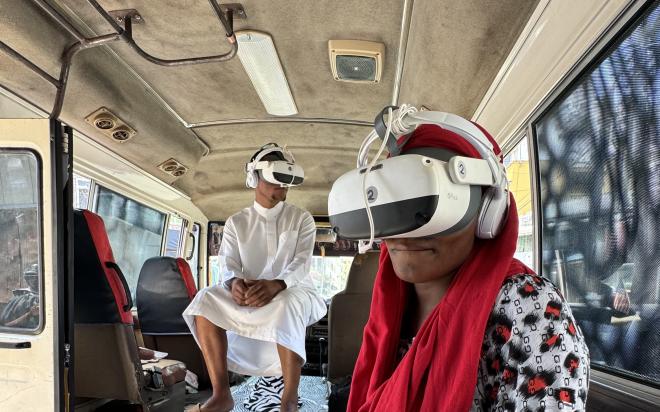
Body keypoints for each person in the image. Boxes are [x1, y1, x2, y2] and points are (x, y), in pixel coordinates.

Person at [345, 122, 590, 411]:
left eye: (437, 204)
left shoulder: (526, 305)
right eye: (397, 204)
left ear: (488, 211)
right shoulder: (390, 302)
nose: (408, 230)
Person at [183, 143, 327, 412]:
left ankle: (289, 399)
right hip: (248, 292)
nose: (282, 189)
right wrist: (234, 283)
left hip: (293, 290)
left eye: (286, 183)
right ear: (255, 178)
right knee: (204, 300)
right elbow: (229, 264)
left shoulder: (302, 219)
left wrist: (277, 284)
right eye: (276, 182)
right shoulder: (237, 222)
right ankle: (221, 394)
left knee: (287, 303)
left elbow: (301, 265)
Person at [1, 264, 39, 329]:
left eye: (37, 277)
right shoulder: (19, 298)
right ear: (27, 279)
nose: (35, 280)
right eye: (32, 277)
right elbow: (6, 324)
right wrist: (30, 314)